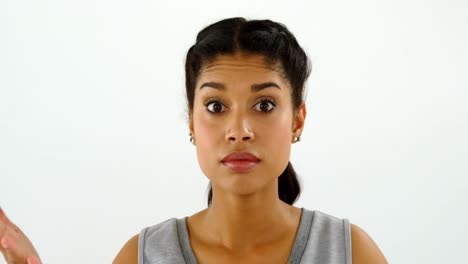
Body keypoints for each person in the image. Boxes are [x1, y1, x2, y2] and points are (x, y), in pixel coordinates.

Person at [0, 17, 387, 264]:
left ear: (297, 120)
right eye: (216, 106)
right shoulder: (144, 256)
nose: (239, 130)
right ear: (191, 122)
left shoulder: (349, 252)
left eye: (265, 104)